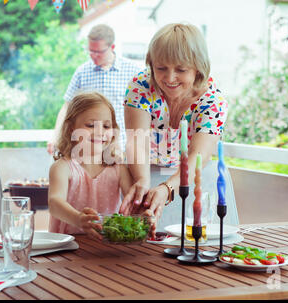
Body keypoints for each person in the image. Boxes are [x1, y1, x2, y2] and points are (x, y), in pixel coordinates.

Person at [119, 23, 234, 231]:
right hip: (141, 175)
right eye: (161, 68)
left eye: (181, 70)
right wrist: (143, 182)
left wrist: (166, 189)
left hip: (194, 182)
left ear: (198, 68)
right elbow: (137, 142)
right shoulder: (141, 86)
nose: (169, 78)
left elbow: (198, 156)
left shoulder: (212, 101)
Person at [48, 92, 146, 240]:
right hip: (67, 248)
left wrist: (144, 213)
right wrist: (78, 219)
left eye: (106, 126)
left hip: (105, 248)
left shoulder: (119, 169)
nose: (100, 132)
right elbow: (55, 203)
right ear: (70, 128)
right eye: (91, 125)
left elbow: (133, 206)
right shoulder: (62, 167)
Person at [49, 24, 141, 153]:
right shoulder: (82, 71)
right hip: (87, 148)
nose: (93, 55)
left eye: (99, 52)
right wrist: (56, 137)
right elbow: (66, 107)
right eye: (91, 51)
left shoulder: (134, 71)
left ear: (112, 47)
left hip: (122, 146)